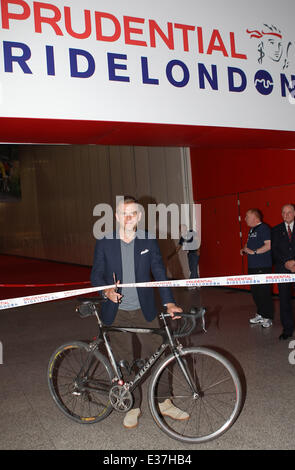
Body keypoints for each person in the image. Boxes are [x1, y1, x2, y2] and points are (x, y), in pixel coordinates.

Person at [91, 195, 187, 429]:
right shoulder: (105, 241)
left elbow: (159, 272)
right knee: (124, 361)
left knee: (159, 355)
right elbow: (96, 274)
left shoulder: (148, 240)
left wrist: (169, 303)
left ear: (140, 216)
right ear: (116, 216)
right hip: (117, 312)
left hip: (145, 310)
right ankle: (132, 405)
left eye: (133, 213)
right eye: (124, 213)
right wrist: (106, 291)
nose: (128, 217)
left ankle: (164, 401)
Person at [240, 209, 274, 328]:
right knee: (255, 292)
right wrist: (244, 249)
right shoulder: (251, 230)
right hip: (253, 266)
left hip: (263, 266)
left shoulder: (264, 228)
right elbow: (248, 244)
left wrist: (254, 252)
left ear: (255, 217)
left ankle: (268, 317)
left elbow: (268, 245)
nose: (245, 219)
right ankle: (260, 314)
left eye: (247, 216)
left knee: (264, 292)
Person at [272, 204, 295, 340]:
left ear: (294, 213)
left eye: (289, 212)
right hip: (282, 269)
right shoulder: (275, 230)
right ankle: (287, 329)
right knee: (284, 300)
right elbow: (274, 251)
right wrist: (287, 263)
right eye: (284, 212)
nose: (286, 215)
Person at [171, 224, 200, 289]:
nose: (181, 230)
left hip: (195, 253)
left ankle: (191, 285)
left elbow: (197, 240)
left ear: (185, 228)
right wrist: (172, 254)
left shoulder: (191, 232)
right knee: (192, 268)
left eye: (182, 228)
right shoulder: (183, 237)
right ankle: (198, 283)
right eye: (180, 229)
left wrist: (198, 250)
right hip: (189, 254)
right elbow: (178, 247)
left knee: (193, 268)